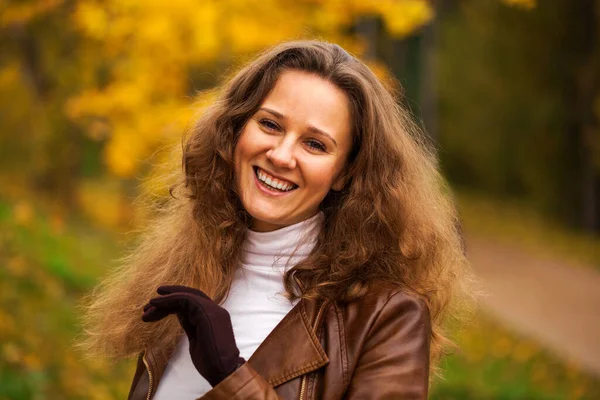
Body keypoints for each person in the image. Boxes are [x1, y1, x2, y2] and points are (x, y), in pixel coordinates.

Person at [80, 40, 473, 400]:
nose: (282, 156)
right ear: (236, 130)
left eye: (315, 144)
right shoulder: (190, 267)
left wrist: (231, 374)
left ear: (345, 173)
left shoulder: (386, 316)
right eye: (270, 124)